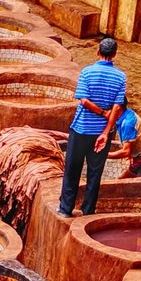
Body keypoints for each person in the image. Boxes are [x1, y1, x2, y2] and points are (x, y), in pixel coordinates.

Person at [58, 36, 127, 218]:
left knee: (72, 169)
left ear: (98, 51)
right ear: (114, 55)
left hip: (81, 129)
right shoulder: (120, 77)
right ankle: (88, 211)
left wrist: (101, 112)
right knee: (95, 174)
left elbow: (84, 100)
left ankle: (66, 209)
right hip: (102, 133)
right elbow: (118, 107)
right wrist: (106, 130)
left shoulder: (87, 72)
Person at [106, 102, 141, 179]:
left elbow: (125, 151)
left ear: (118, 108)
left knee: (137, 189)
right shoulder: (127, 113)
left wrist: (105, 155)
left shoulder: (127, 124)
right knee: (120, 182)